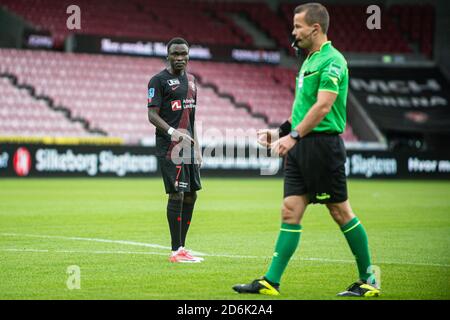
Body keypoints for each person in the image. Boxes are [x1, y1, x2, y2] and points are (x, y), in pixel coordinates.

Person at [232, 3, 380, 297]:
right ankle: (270, 282)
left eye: (298, 26)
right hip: (302, 145)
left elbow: (324, 106)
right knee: (290, 211)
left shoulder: (333, 61)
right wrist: (281, 132)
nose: (293, 31)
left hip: (323, 147)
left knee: (340, 211)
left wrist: (294, 136)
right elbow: (303, 109)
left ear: (315, 28)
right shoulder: (309, 60)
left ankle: (369, 280)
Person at [147, 37, 203, 263]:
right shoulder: (157, 81)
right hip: (170, 146)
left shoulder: (191, 81)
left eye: (183, 54)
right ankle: (174, 250)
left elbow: (192, 117)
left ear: (188, 55)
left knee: (191, 195)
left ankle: (182, 248)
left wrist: (197, 146)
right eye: (175, 54)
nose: (180, 58)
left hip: (188, 147)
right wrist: (173, 133)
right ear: (168, 56)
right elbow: (152, 115)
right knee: (177, 194)